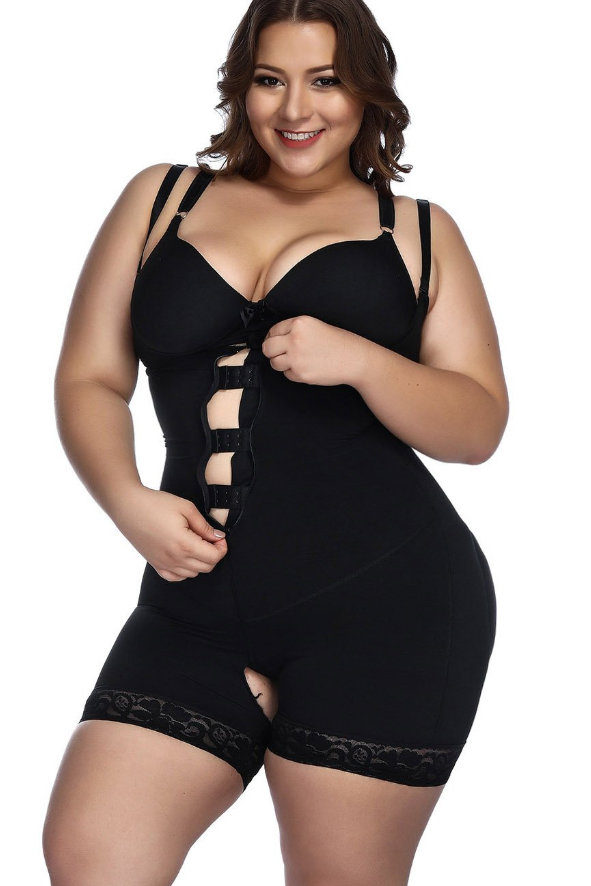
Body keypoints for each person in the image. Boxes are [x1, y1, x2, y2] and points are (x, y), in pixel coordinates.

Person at [42, 2, 509, 885]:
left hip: (387, 606)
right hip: (195, 607)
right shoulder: (163, 198)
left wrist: (364, 362)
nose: (296, 109)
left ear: (366, 91)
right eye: (270, 79)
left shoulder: (417, 231)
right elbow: (89, 377)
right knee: (90, 858)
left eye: (325, 80)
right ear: (240, 89)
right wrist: (126, 499)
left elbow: (478, 424)